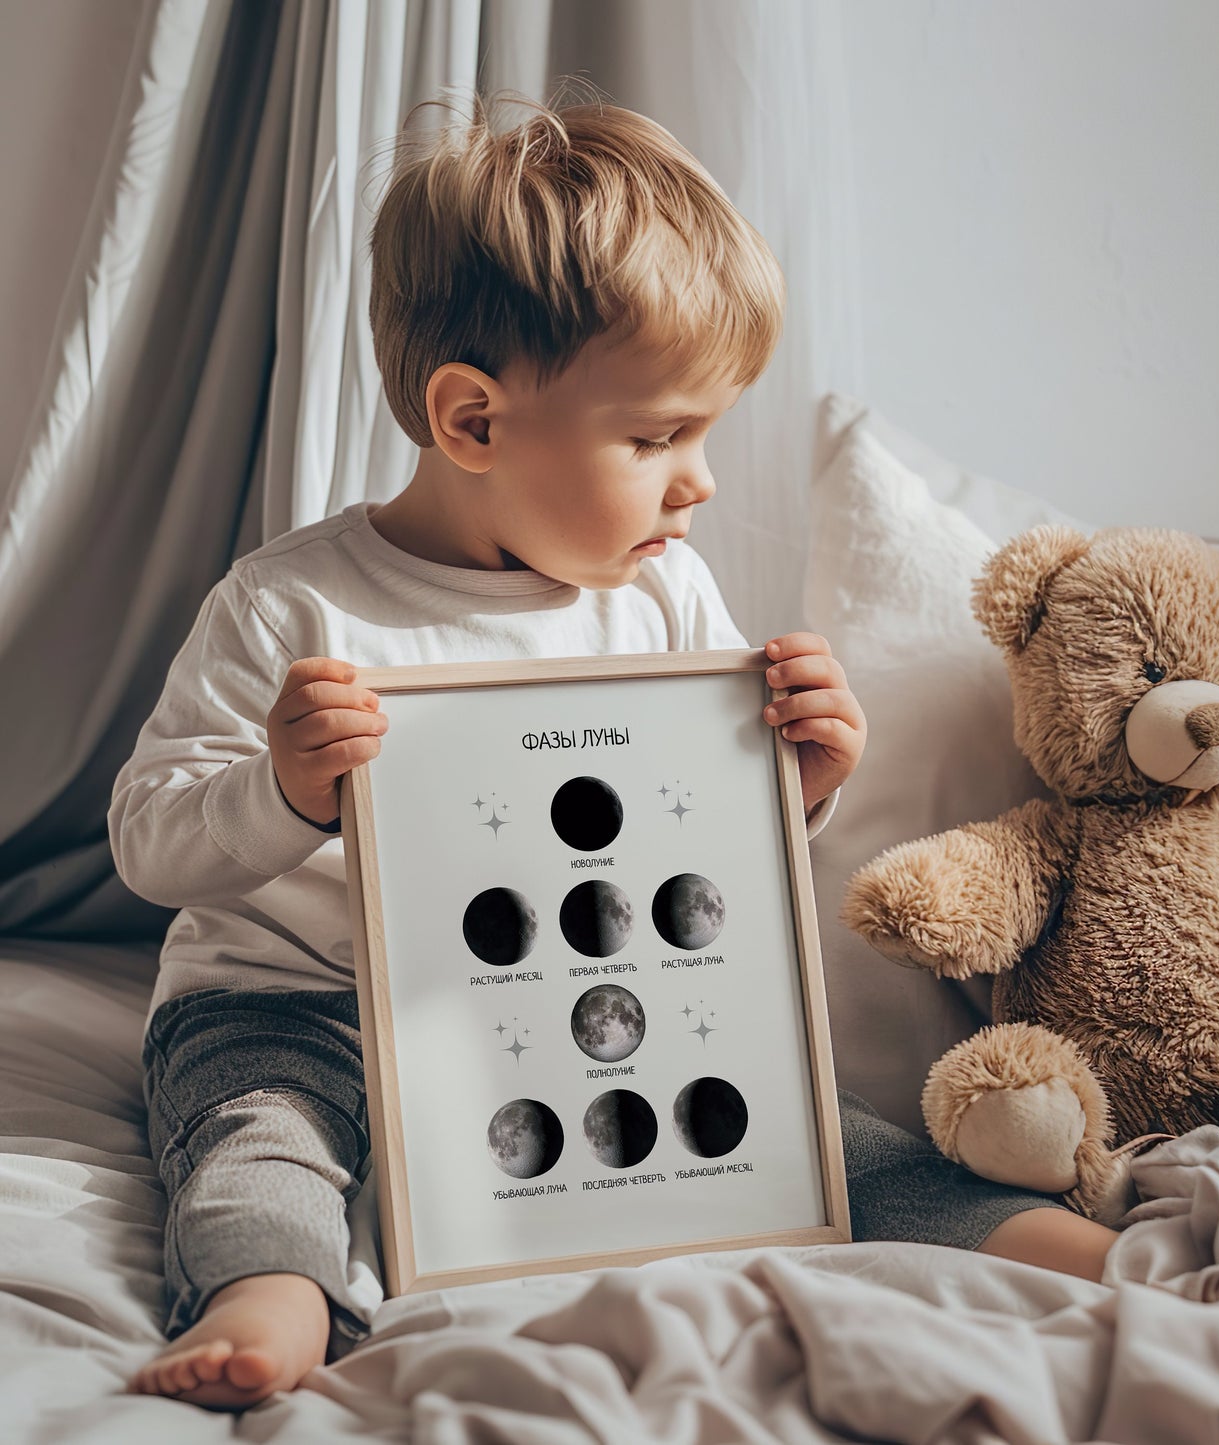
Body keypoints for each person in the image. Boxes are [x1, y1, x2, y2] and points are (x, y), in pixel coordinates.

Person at [109, 94, 1107, 1412]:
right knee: (258, 1142)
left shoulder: (661, 599)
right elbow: (148, 841)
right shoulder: (291, 607)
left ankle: (1028, 1238)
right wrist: (282, 789)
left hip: (554, 996)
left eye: (698, 433)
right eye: (653, 438)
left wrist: (791, 786)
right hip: (297, 1007)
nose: (695, 481)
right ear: (470, 422)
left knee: (801, 1132)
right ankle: (269, 1293)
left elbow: (687, 844)